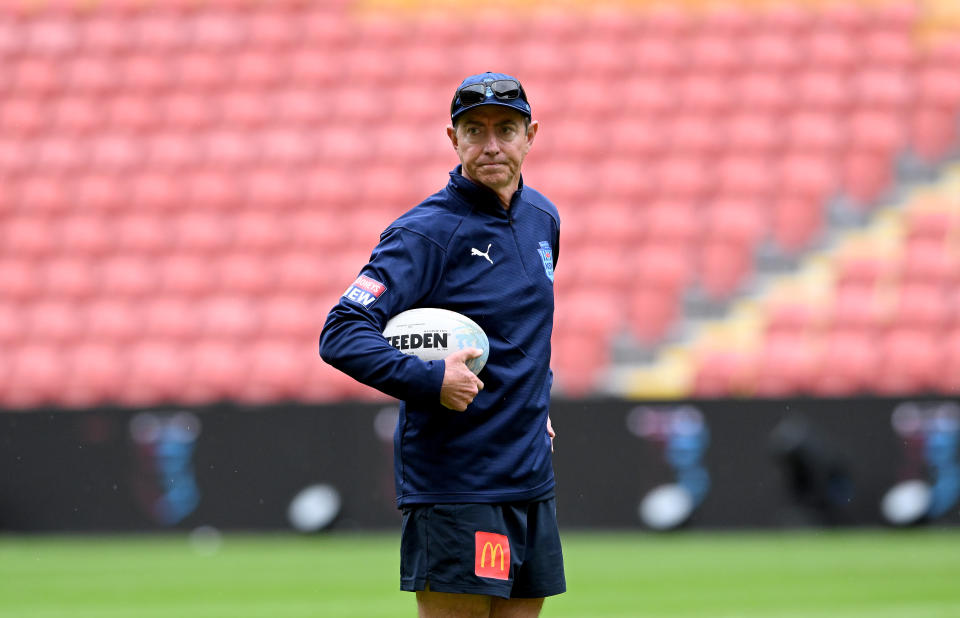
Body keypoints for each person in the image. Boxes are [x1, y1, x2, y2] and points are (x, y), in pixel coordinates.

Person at [319, 72, 564, 617]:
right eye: (475, 130)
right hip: (459, 486)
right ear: (453, 140)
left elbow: (526, 329)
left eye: (507, 128)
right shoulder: (424, 233)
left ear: (532, 135)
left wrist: (537, 400)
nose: (492, 145)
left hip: (528, 480)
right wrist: (433, 380)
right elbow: (341, 332)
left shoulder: (543, 219)